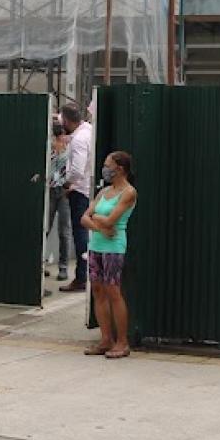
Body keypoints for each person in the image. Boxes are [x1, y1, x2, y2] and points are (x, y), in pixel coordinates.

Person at [82, 151, 138, 359]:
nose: (104, 168)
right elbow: (83, 219)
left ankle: (122, 342)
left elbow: (111, 221)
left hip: (114, 247)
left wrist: (95, 218)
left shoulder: (128, 193)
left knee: (113, 291)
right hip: (97, 244)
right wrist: (99, 226)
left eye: (107, 165)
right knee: (98, 290)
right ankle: (106, 339)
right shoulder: (104, 191)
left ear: (120, 169)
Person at [59, 103, 93, 292]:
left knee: (80, 234)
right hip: (87, 189)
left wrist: (67, 183)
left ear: (66, 120)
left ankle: (81, 277)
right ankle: (84, 275)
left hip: (79, 191)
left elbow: (77, 170)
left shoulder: (79, 139)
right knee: (84, 233)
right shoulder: (88, 131)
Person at [46, 121, 74, 285]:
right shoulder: (49, 147)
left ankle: (63, 267)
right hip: (50, 190)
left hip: (64, 191)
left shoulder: (70, 148)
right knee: (45, 229)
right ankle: (42, 265)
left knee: (64, 230)